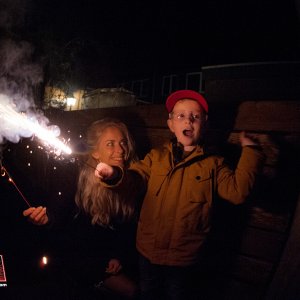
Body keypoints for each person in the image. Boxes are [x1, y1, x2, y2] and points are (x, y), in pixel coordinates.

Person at [94, 90, 266, 300]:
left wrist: (251, 151)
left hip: (184, 260)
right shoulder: (156, 157)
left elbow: (237, 192)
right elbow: (135, 178)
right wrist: (114, 175)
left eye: (195, 116)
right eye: (181, 116)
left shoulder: (213, 164)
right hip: (148, 253)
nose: (189, 121)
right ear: (171, 125)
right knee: (148, 294)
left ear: (205, 124)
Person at [23, 118, 140, 299]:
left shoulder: (133, 179)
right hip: (80, 261)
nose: (120, 150)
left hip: (115, 260)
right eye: (110, 144)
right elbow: (62, 223)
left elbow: (127, 230)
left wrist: (119, 256)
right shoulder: (76, 180)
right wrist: (47, 219)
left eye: (122, 142)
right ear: (95, 153)